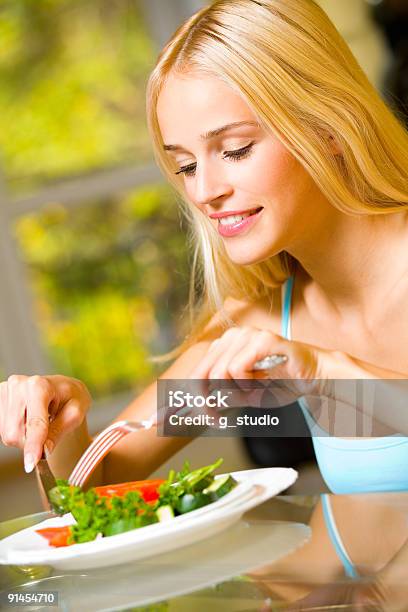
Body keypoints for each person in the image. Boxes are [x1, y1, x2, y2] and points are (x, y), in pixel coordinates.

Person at [0, 0, 408, 494]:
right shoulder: (261, 323)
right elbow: (92, 487)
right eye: (187, 165)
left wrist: (326, 371)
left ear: (328, 130)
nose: (203, 191)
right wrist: (61, 421)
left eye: (235, 149)